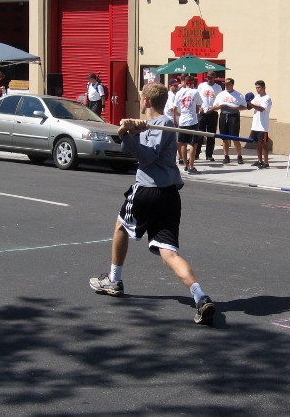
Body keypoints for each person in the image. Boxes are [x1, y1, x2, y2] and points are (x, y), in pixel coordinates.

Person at [89, 82, 216, 325]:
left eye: (141, 99)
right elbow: (139, 147)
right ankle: (201, 297)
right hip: (168, 194)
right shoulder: (152, 125)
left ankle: (114, 280)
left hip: (150, 189)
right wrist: (130, 131)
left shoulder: (165, 123)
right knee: (168, 252)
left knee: (119, 227)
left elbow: (147, 157)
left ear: (146, 101)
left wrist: (127, 135)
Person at [213, 78, 248, 164]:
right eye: (225, 84)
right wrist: (221, 106)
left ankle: (239, 156)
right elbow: (215, 106)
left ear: (232, 84)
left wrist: (236, 108)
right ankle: (226, 156)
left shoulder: (238, 95)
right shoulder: (221, 94)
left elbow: (244, 106)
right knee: (224, 138)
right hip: (224, 115)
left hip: (234, 116)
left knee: (235, 138)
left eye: (228, 84)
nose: (226, 86)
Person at [172, 75, 202, 174]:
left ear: (185, 82)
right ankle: (191, 166)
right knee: (194, 144)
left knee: (183, 144)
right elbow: (199, 106)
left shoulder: (179, 93)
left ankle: (185, 165)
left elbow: (175, 108)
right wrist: (198, 112)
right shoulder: (195, 92)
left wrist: (175, 119)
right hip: (192, 120)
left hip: (182, 120)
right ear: (193, 83)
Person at [196, 72, 222, 161]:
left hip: (213, 112)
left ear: (215, 77)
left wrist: (214, 108)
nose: (209, 79)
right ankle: (196, 154)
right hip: (202, 112)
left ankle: (209, 155)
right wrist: (199, 108)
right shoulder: (201, 86)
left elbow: (220, 101)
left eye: (211, 77)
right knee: (199, 134)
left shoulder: (218, 87)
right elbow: (197, 98)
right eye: (208, 77)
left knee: (211, 135)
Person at [248, 80, 273, 169]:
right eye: (256, 88)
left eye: (259, 88)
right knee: (257, 143)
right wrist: (246, 102)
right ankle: (259, 161)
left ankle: (266, 162)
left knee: (264, 144)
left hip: (263, 126)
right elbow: (249, 107)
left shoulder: (267, 98)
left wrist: (250, 104)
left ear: (263, 87)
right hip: (255, 125)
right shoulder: (256, 97)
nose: (257, 90)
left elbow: (261, 109)